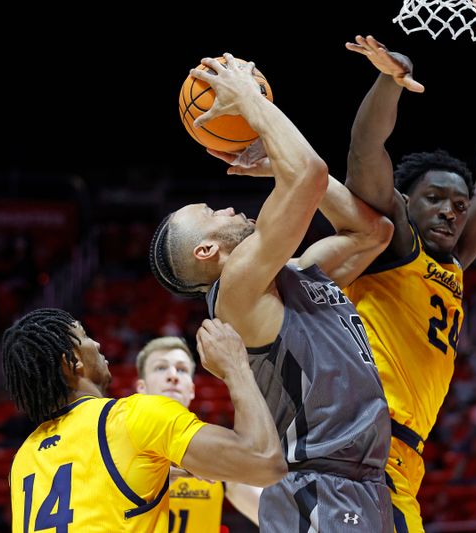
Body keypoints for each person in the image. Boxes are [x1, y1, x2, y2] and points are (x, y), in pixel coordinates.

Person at [150, 53, 395, 531]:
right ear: (206, 250)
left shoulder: (296, 273)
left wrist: (271, 165)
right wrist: (250, 101)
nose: (226, 208)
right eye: (213, 212)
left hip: (361, 484)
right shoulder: (235, 290)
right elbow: (308, 172)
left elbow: (372, 233)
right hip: (317, 487)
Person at [342, 23, 476, 532]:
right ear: (405, 203)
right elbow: (364, 152)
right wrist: (390, 82)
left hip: (401, 462)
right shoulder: (391, 241)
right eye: (435, 199)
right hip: (361, 446)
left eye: (459, 206)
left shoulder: (454, 262)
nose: (449, 212)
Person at [3, 308, 285, 532]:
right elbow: (265, 461)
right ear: (73, 361)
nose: (97, 343)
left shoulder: (24, 459)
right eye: (85, 336)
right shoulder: (132, 418)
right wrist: (236, 366)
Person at [135, 335, 262, 531]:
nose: (173, 375)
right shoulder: (117, 445)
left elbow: (276, 518)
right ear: (141, 388)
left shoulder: (215, 452)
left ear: (192, 390)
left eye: (182, 369)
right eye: (161, 367)